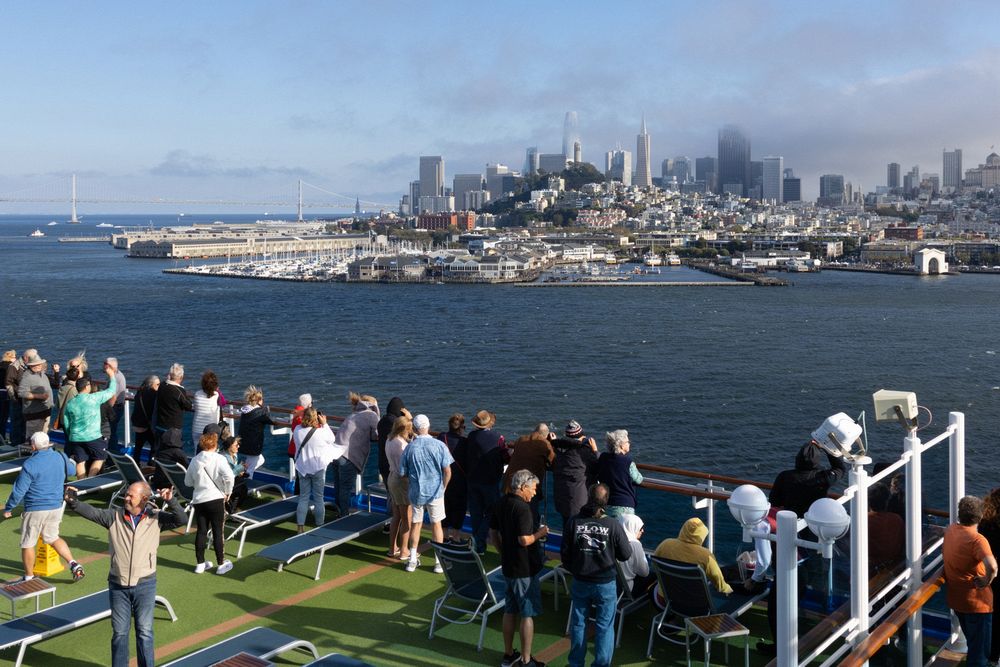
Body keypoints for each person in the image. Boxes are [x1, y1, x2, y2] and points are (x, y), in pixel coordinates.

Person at [67, 479, 185, 667]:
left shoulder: (157, 517)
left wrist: (172, 502)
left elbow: (182, 520)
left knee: (145, 632)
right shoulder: (113, 516)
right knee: (120, 633)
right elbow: (92, 512)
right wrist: (73, 502)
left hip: (145, 584)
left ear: (144, 499)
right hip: (117, 584)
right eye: (127, 494)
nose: (126, 497)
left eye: (131, 495)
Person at [562, 482, 633, 667]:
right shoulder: (612, 524)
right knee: (604, 626)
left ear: (588, 496)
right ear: (606, 501)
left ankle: (575, 663)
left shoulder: (574, 522)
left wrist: (576, 569)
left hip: (581, 580)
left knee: (578, 624)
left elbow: (565, 554)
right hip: (605, 583)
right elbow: (625, 554)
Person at [2, 432, 84, 583]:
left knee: (28, 543)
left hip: (35, 508)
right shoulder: (60, 456)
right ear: (49, 444)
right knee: (53, 537)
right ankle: (73, 563)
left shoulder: (30, 464)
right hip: (56, 507)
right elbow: (71, 471)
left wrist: (8, 508)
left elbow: (19, 490)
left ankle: (28, 577)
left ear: (33, 446)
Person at [490, 469, 550, 667]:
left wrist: (502, 552)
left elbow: (493, 532)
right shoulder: (523, 509)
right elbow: (524, 539)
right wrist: (540, 533)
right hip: (523, 568)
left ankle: (508, 655)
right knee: (527, 613)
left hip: (508, 566)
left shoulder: (501, 502)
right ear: (523, 487)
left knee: (510, 609)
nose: (534, 493)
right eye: (533, 489)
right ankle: (525, 660)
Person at [943, 495, 997, 667]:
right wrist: (986, 580)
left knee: (974, 644)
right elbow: (993, 566)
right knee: (979, 653)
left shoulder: (951, 530)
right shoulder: (977, 540)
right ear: (980, 516)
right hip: (977, 603)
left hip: (957, 601)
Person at [399, 414, 452, 574]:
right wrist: (443, 487)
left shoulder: (410, 448)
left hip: (416, 492)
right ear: (428, 426)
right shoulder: (439, 445)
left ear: (414, 428)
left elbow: (403, 472)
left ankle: (412, 560)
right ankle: (438, 562)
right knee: (437, 525)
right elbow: (447, 471)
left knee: (416, 524)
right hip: (436, 491)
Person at [185, 432, 235, 574]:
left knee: (201, 531)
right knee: (217, 531)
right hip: (215, 498)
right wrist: (227, 491)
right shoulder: (219, 459)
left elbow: (187, 482)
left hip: (199, 500)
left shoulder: (195, 460)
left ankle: (200, 563)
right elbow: (229, 477)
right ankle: (220, 563)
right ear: (215, 444)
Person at [292, 407, 344, 532]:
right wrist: (325, 424)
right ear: (316, 418)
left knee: (303, 497)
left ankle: (300, 527)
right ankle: (319, 524)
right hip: (318, 468)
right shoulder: (321, 432)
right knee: (318, 497)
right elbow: (332, 439)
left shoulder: (297, 430)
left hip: (303, 467)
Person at [769, 439, 848, 519]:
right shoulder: (823, 478)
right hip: (815, 522)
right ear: (816, 460)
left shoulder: (784, 476)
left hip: (791, 522)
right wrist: (827, 449)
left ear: (798, 458)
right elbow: (840, 469)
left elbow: (774, 501)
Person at [654, 516, 733, 596]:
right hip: (694, 603)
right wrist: (730, 590)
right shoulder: (706, 556)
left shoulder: (666, 544)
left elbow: (654, 566)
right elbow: (720, 585)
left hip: (665, 600)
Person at [465, 409, 505, 555]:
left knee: (476, 513)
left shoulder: (471, 436)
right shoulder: (498, 437)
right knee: (492, 512)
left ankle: (479, 546)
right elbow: (505, 455)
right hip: (490, 481)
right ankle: (479, 539)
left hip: (473, 479)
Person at [63, 371, 118, 478]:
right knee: (101, 457)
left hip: (75, 437)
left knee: (80, 461)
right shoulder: (94, 398)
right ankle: (90, 479)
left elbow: (66, 422)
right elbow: (111, 391)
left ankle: (81, 482)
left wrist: (71, 434)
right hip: (93, 436)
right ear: (87, 386)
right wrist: (112, 375)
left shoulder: (70, 403)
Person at [502, 423, 555, 527]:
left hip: (509, 483)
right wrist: (552, 443)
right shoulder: (545, 444)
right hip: (526, 487)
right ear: (546, 435)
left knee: (510, 515)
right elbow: (553, 462)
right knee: (529, 516)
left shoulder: (522, 439)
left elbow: (515, 445)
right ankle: (529, 539)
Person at [335, 392, 380, 514]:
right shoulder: (371, 415)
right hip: (348, 455)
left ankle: (339, 511)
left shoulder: (354, 414)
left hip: (335, 451)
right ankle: (343, 515)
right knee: (346, 487)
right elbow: (377, 434)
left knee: (339, 486)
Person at [552, 420, 599, 532]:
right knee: (579, 532)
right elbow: (598, 466)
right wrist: (595, 451)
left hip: (561, 498)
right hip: (579, 501)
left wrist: (554, 441)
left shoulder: (558, 450)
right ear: (580, 437)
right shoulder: (584, 452)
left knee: (567, 529)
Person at [595, 429, 643, 518]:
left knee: (610, 531)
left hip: (607, 503)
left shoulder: (603, 458)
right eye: (627, 442)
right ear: (621, 445)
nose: (629, 443)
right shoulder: (628, 461)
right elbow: (639, 480)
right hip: (625, 504)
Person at [385, 415, 414, 559]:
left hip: (392, 477)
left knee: (396, 515)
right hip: (402, 481)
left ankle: (393, 548)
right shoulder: (401, 445)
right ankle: (404, 550)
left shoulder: (389, 439)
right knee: (406, 517)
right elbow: (406, 466)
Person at [236, 385, 279, 478]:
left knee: (253, 461)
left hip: (243, 443)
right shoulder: (260, 412)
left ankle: (241, 474)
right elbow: (270, 421)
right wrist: (266, 411)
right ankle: (244, 481)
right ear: (259, 401)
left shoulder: (245, 410)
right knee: (254, 465)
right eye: (262, 399)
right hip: (254, 445)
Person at [440, 413, 469, 544]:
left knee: (445, 506)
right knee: (459, 508)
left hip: (443, 478)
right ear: (462, 427)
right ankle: (456, 536)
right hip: (460, 480)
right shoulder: (465, 442)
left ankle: (445, 535)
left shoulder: (441, 437)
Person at [979, 488, 1000, 664]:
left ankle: (992, 657)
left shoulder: (984, 525)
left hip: (990, 577)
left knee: (992, 620)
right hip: (993, 573)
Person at [154, 363, 193, 456]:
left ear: (170, 375)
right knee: (174, 452)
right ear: (181, 377)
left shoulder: (162, 385)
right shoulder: (179, 391)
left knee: (160, 451)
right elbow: (188, 405)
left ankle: (159, 468)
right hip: (173, 429)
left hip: (160, 424)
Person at [868, 482, 905, 573]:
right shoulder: (897, 519)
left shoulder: (863, 521)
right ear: (887, 501)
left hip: (871, 569)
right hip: (893, 566)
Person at [18, 351, 54, 441]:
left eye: (39, 364)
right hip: (34, 413)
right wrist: (39, 396)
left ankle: (43, 452)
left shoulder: (43, 375)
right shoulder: (26, 377)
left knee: (44, 436)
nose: (37, 366)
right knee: (33, 437)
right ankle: (31, 453)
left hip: (46, 410)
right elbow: (21, 393)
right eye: (34, 364)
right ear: (30, 365)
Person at [619, 513, 653, 597]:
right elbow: (644, 573)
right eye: (640, 528)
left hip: (610, 584)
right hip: (625, 589)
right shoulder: (634, 544)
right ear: (632, 527)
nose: (642, 531)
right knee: (654, 575)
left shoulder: (611, 539)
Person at [191, 370, 225, 445]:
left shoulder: (197, 394)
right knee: (210, 451)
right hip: (211, 430)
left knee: (197, 451)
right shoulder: (216, 395)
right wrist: (218, 391)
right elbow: (223, 403)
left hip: (197, 428)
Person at [130, 375, 160, 462]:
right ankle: (151, 464)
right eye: (157, 384)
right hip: (147, 425)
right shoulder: (153, 395)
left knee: (138, 446)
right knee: (155, 445)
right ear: (151, 385)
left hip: (138, 424)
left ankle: (136, 464)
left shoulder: (139, 392)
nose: (159, 386)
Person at [5, 349, 30, 446]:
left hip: (25, 399)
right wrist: (13, 398)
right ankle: (15, 443)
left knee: (23, 421)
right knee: (16, 421)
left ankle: (23, 441)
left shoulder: (26, 366)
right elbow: (8, 383)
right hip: (16, 399)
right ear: (26, 358)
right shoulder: (14, 366)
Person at [103, 357, 127, 452]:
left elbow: (113, 397)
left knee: (111, 432)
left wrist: (106, 411)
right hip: (115, 407)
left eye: (105, 363)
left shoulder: (116, 378)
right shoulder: (113, 376)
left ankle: (111, 456)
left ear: (110, 366)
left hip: (114, 408)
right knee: (111, 432)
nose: (103, 365)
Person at [220, 436, 248, 514]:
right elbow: (227, 475)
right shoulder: (223, 458)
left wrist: (240, 471)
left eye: (238, 444)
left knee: (242, 485)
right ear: (229, 446)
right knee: (242, 488)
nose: (238, 446)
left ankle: (231, 507)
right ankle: (231, 510)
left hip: (227, 481)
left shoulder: (234, 455)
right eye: (236, 445)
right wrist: (239, 469)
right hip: (222, 484)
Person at [0, 350, 16, 444]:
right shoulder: (11, 367)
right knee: (5, 416)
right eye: (14, 357)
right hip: (6, 393)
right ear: (10, 358)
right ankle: (3, 438)